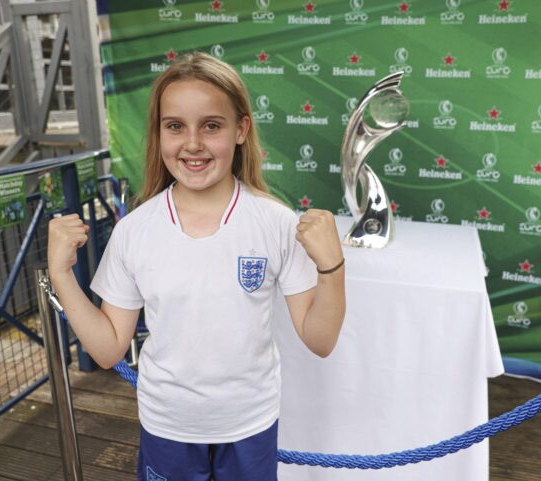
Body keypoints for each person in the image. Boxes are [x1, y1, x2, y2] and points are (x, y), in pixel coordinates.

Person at [47, 52, 346, 481]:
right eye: (175, 126)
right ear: (159, 133)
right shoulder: (135, 231)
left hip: (250, 425)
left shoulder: (275, 222)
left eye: (211, 125)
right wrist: (61, 275)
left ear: (241, 129)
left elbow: (320, 339)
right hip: (167, 426)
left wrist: (332, 266)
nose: (192, 144)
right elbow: (110, 347)